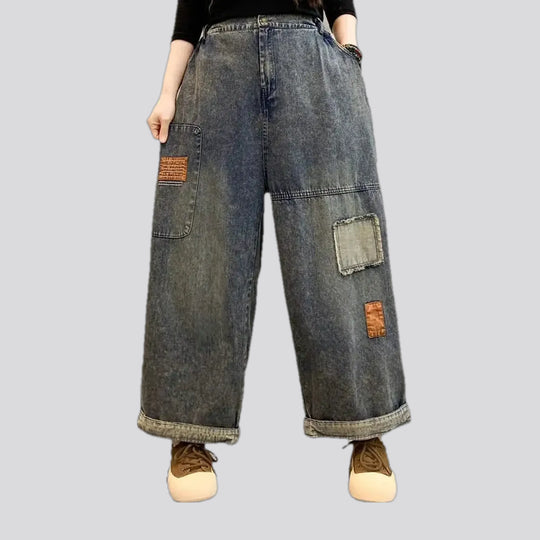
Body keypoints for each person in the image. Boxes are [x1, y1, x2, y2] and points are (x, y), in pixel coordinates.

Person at [137, 0, 412, 503]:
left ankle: (367, 429)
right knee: (201, 251)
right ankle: (187, 434)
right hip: (217, 76)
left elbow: (340, 0)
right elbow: (189, 13)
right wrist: (166, 94)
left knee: (343, 247)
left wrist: (349, 56)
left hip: (312, 71)